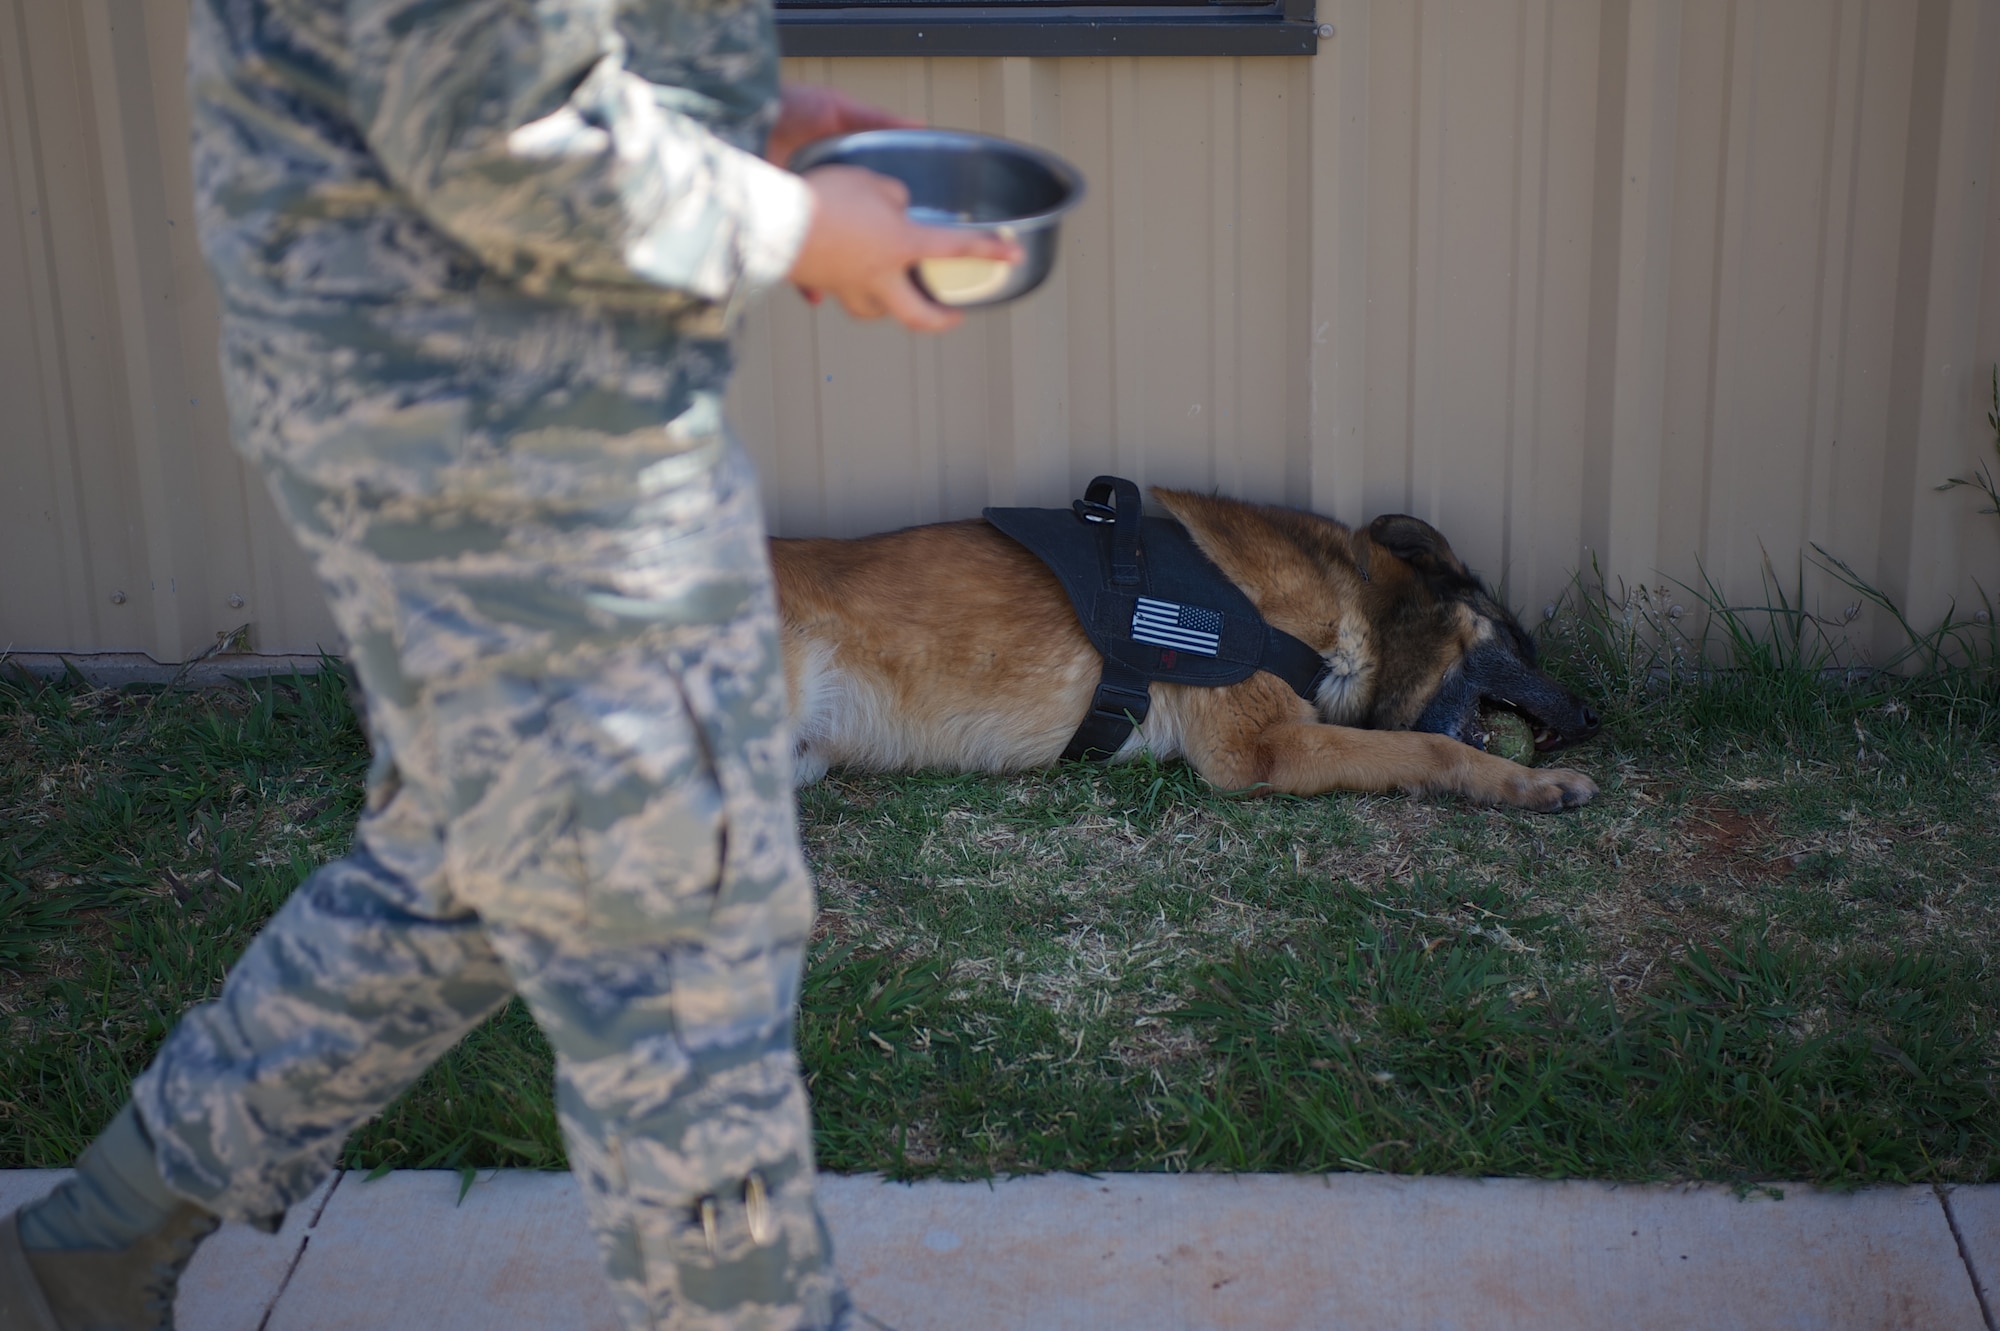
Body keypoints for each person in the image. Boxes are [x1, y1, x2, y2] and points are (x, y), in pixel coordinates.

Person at [0, 3, 1019, 1330]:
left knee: (465, 876)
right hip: (509, 446)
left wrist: (728, 126)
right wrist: (789, 223)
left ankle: (100, 1241)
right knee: (675, 908)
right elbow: (496, 131)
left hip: (496, 412)